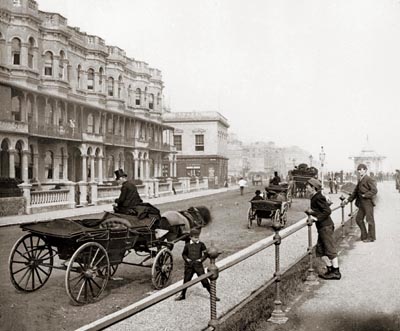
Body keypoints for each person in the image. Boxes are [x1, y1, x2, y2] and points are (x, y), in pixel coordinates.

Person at [305, 178, 341, 280]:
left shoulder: (318, 197)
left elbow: (327, 211)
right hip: (322, 227)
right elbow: (322, 209)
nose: (306, 188)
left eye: (308, 186)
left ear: (313, 187)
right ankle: (330, 269)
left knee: (330, 249)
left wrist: (316, 218)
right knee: (320, 251)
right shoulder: (315, 196)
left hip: (326, 226)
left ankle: (336, 272)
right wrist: (312, 212)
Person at [175, 228, 220, 301]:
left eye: (198, 237)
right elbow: (184, 254)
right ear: (191, 237)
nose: (197, 239)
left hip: (198, 266)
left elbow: (205, 254)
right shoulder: (187, 245)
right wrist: (187, 259)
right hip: (189, 266)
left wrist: (201, 260)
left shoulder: (201, 244)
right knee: (186, 281)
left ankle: (213, 296)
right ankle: (182, 295)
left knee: (205, 281)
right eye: (195, 238)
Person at [344, 164, 378, 242]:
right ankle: (364, 235)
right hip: (361, 203)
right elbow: (355, 191)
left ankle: (371, 237)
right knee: (358, 219)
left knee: (370, 220)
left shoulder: (368, 179)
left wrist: (365, 195)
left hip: (368, 202)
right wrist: (348, 200)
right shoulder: (360, 179)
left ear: (365, 170)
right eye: (358, 170)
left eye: (361, 169)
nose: (359, 171)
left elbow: (374, 190)